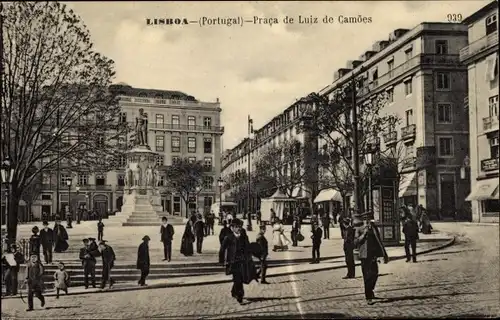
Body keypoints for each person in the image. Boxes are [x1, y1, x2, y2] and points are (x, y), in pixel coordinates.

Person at [353, 212, 389, 305]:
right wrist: (364, 234)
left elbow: (379, 240)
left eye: (369, 219)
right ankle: (368, 296)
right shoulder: (359, 228)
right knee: (367, 276)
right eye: (366, 220)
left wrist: (383, 253)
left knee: (375, 273)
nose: (368, 221)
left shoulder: (373, 228)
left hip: (373, 255)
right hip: (364, 255)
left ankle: (371, 289)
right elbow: (356, 242)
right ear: (363, 220)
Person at [219, 219, 256, 304]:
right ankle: (240, 296)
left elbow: (248, 248)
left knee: (240, 278)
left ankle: (233, 291)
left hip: (242, 261)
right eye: (236, 227)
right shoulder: (228, 237)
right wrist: (222, 261)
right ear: (232, 228)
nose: (238, 228)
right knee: (237, 278)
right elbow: (222, 249)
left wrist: (249, 257)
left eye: (240, 227)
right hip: (233, 262)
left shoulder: (244, 237)